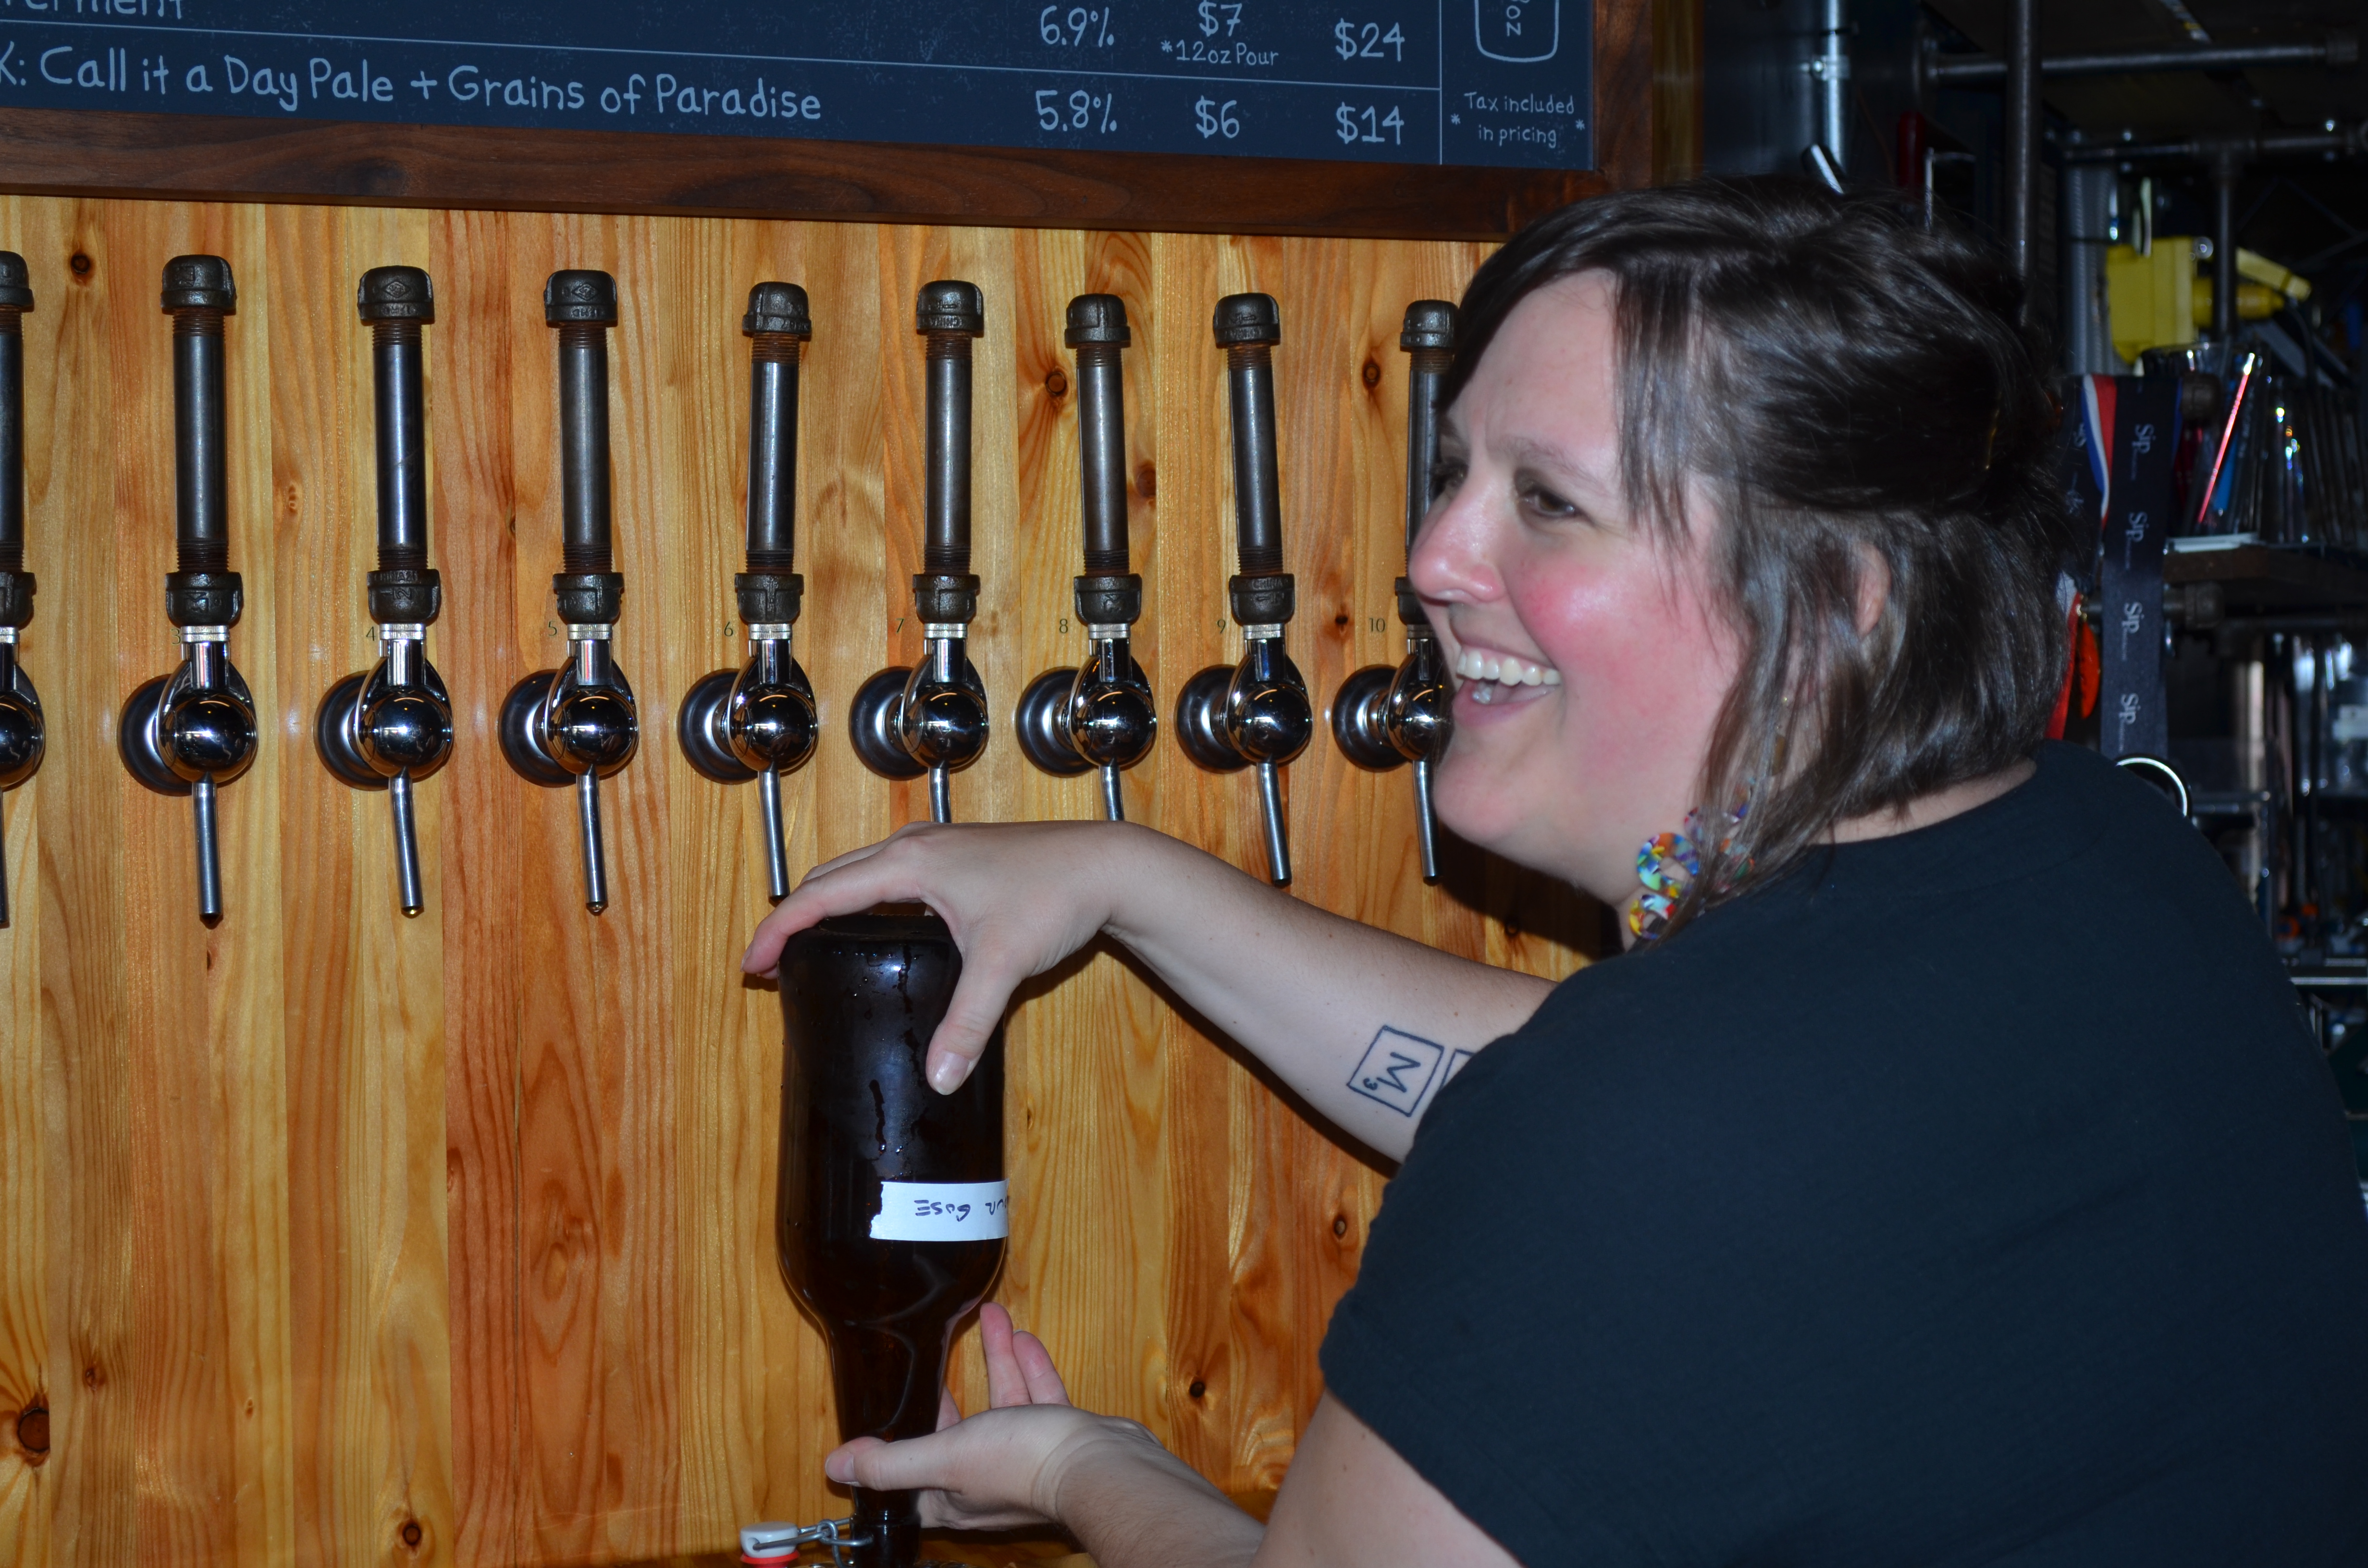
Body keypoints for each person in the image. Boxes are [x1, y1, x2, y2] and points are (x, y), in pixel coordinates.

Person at [743, 178, 2368, 1566]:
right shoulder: (2100, 862)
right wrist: (1134, 879)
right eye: (1456, 474)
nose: (1435, 558)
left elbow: (1617, 1141)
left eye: (1548, 503)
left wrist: (1088, 1472)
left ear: (1843, 605)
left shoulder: (1647, 1136)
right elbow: (1628, 1113)